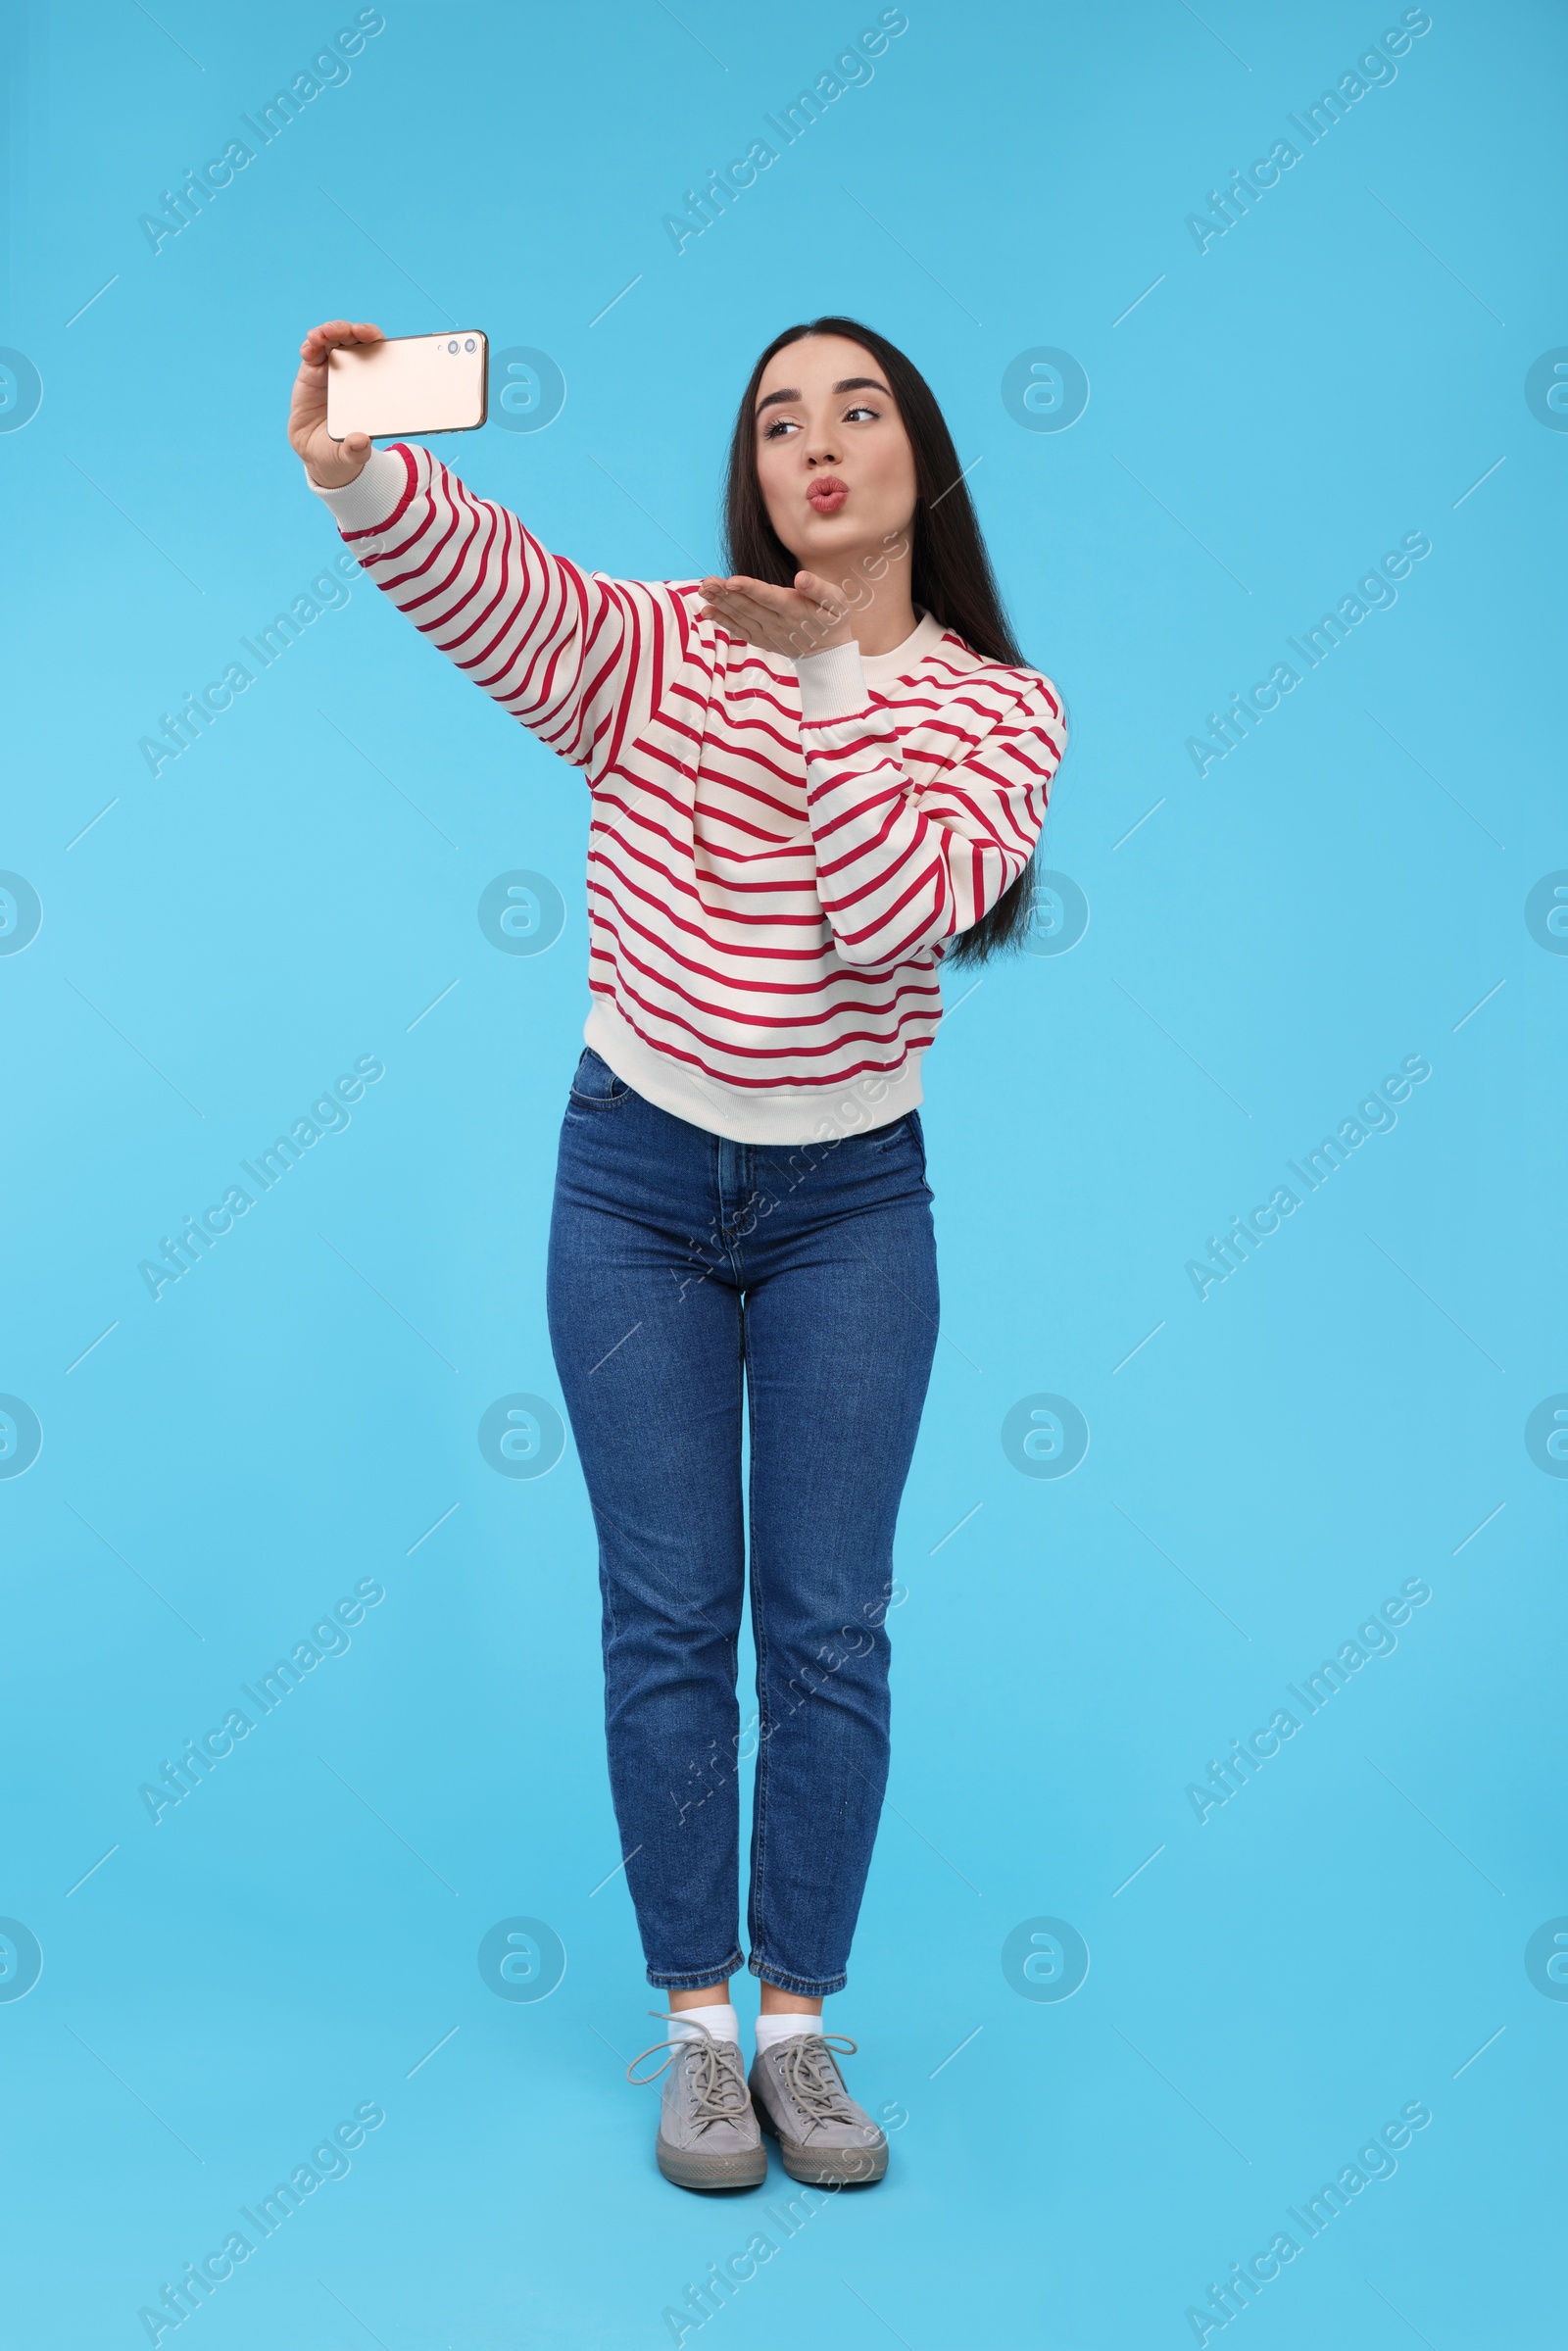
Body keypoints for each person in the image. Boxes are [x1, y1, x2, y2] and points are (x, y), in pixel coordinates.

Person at [289, 312, 1065, 2192]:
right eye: (779, 417)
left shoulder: (995, 712)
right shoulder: (666, 646)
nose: (817, 443)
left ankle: (800, 2031)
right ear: (756, 472)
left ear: (915, 459)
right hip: (631, 1191)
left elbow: (889, 910)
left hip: (852, 1216)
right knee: (664, 1621)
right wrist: (361, 470)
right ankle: (697, 2036)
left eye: (857, 410)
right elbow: (507, 594)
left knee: (827, 1625)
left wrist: (819, 694)